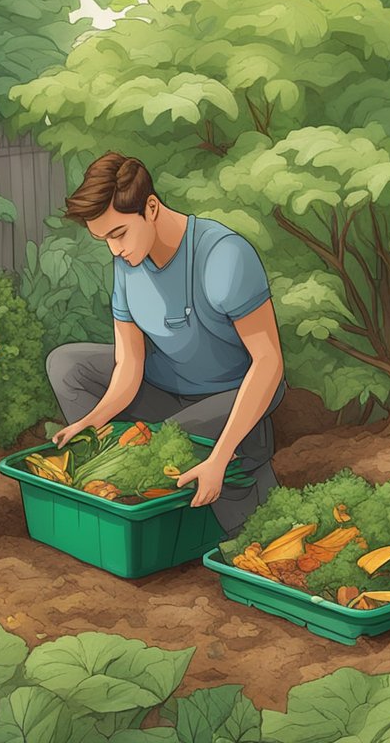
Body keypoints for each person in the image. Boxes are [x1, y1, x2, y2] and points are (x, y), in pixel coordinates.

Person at [46, 152, 287, 540]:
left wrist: (221, 455)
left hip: (232, 395)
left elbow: (269, 363)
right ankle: (122, 478)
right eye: (104, 239)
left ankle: (233, 459)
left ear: (151, 208)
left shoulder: (223, 255)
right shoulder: (127, 264)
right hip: (167, 387)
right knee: (66, 365)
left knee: (171, 438)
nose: (114, 250)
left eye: (119, 233)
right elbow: (129, 363)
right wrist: (94, 419)